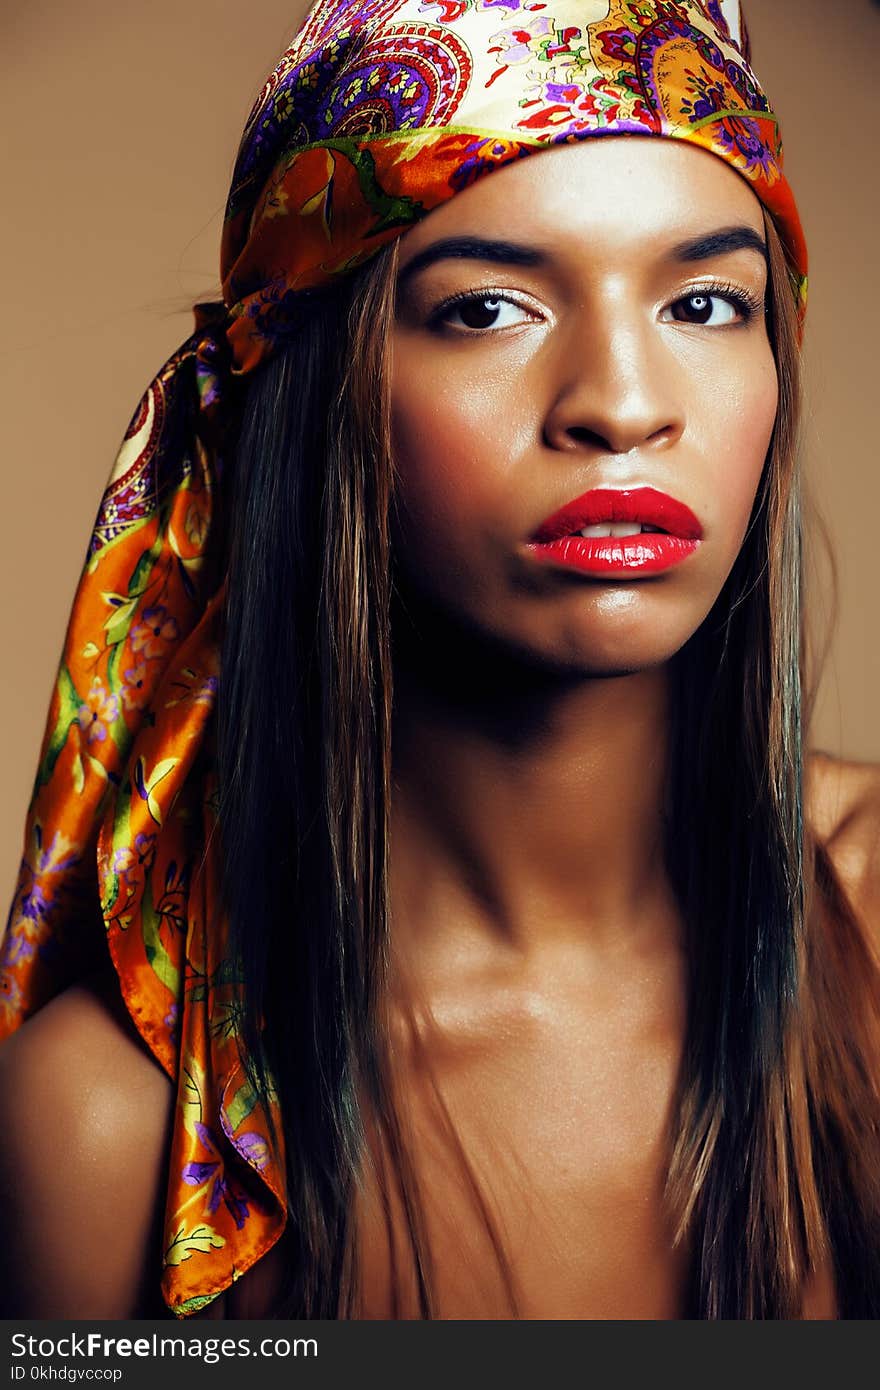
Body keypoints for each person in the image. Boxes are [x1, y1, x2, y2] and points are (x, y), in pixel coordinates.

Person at [1, 0, 878, 1321]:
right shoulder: (114, 1136)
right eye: (485, 309)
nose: (625, 402)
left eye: (705, 301)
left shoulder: (869, 929)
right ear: (319, 387)